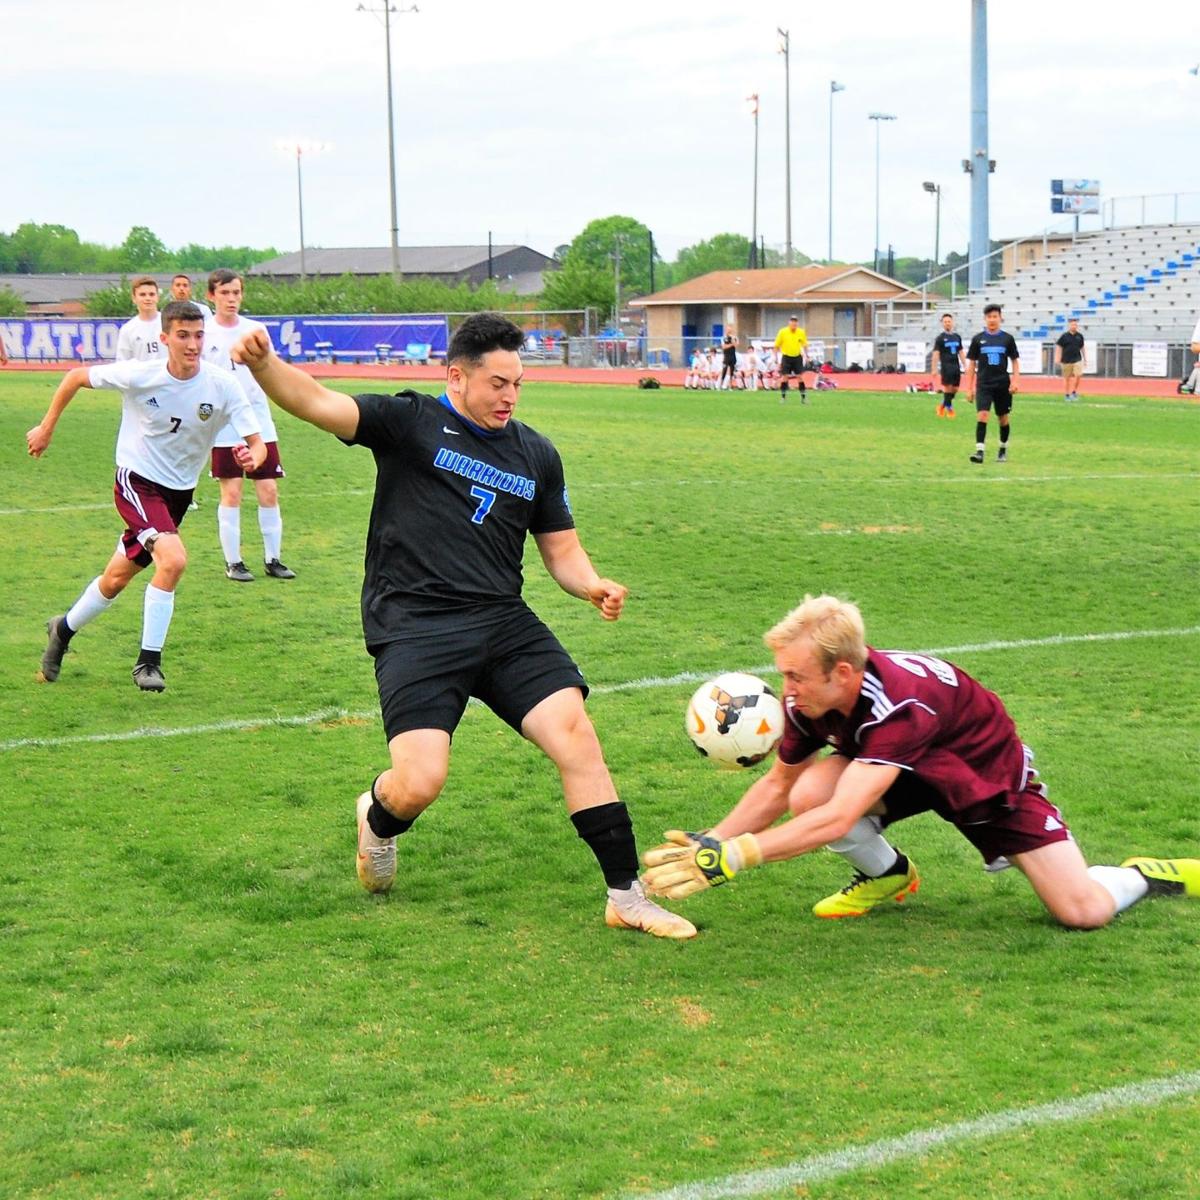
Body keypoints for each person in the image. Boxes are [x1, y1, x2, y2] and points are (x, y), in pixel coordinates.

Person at [230, 311, 696, 939]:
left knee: (576, 735)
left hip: (503, 622)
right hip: (414, 624)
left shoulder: (536, 454)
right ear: (457, 375)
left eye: (518, 383)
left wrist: (592, 585)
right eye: (498, 383)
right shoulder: (411, 422)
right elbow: (318, 402)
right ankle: (377, 818)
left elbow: (561, 549)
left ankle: (626, 897)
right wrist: (264, 366)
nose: (510, 395)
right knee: (419, 782)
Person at [642, 594, 1200, 929]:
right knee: (809, 791)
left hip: (981, 776)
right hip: (900, 768)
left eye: (794, 674)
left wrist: (736, 856)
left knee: (1081, 912)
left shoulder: (900, 705)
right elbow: (778, 786)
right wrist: (711, 841)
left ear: (843, 673)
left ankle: (1142, 875)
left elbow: (838, 822)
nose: (784, 689)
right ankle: (888, 876)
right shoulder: (809, 699)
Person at [26, 301, 264, 692]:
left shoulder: (222, 384)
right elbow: (74, 377)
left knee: (115, 579)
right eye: (183, 336)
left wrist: (249, 457)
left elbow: (257, 445)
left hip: (178, 494)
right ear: (165, 338)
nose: (192, 344)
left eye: (199, 335)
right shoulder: (141, 375)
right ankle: (147, 662)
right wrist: (46, 427)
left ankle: (62, 629)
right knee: (173, 560)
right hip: (137, 481)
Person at [205, 268, 294, 582]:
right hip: (225, 423)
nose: (231, 299)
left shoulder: (256, 330)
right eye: (225, 293)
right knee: (232, 493)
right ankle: (234, 562)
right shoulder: (205, 333)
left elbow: (269, 370)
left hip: (258, 420)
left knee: (268, 491)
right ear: (211, 296)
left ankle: (273, 559)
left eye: (236, 292)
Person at [964, 303, 1019, 464]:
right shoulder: (978, 339)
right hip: (984, 384)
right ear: (985, 319)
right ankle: (980, 451)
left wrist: (1015, 381)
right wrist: (969, 388)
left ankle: (1002, 449)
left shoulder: (1007, 339)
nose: (992, 320)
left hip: (1002, 384)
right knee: (982, 415)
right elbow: (972, 364)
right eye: (989, 317)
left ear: (1000, 318)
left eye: (995, 316)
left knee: (1003, 418)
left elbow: (1015, 361)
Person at [115, 276, 164, 362]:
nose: (148, 298)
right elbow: (122, 363)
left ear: (157, 297)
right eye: (142, 295)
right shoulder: (127, 329)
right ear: (134, 298)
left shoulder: (170, 323)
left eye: (151, 294)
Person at [930, 313, 965, 418]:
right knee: (948, 388)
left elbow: (961, 352)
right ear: (942, 324)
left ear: (952, 323)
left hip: (956, 366)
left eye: (949, 321)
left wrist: (965, 365)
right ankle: (950, 410)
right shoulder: (940, 338)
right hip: (946, 366)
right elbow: (936, 354)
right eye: (945, 322)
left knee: (955, 389)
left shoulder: (957, 337)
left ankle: (941, 406)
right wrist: (934, 368)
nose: (947, 323)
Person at [773, 314, 808, 403]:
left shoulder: (801, 332)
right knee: (785, 377)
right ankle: (783, 397)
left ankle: (803, 398)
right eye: (792, 323)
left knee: (800, 377)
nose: (794, 325)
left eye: (795, 323)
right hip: (786, 357)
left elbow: (805, 345)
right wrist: (776, 358)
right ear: (789, 323)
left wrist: (807, 355)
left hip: (797, 356)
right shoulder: (783, 332)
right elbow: (776, 346)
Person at [1054, 317, 1086, 402]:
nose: (1074, 326)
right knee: (1066, 378)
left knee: (1078, 375)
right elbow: (1059, 346)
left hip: (1077, 359)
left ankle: (1074, 392)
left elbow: (1082, 347)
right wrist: (1057, 357)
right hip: (1066, 360)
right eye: (1072, 324)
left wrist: (1085, 359)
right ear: (1069, 326)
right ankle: (1067, 394)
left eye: (1075, 324)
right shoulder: (1064, 336)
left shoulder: (1080, 336)